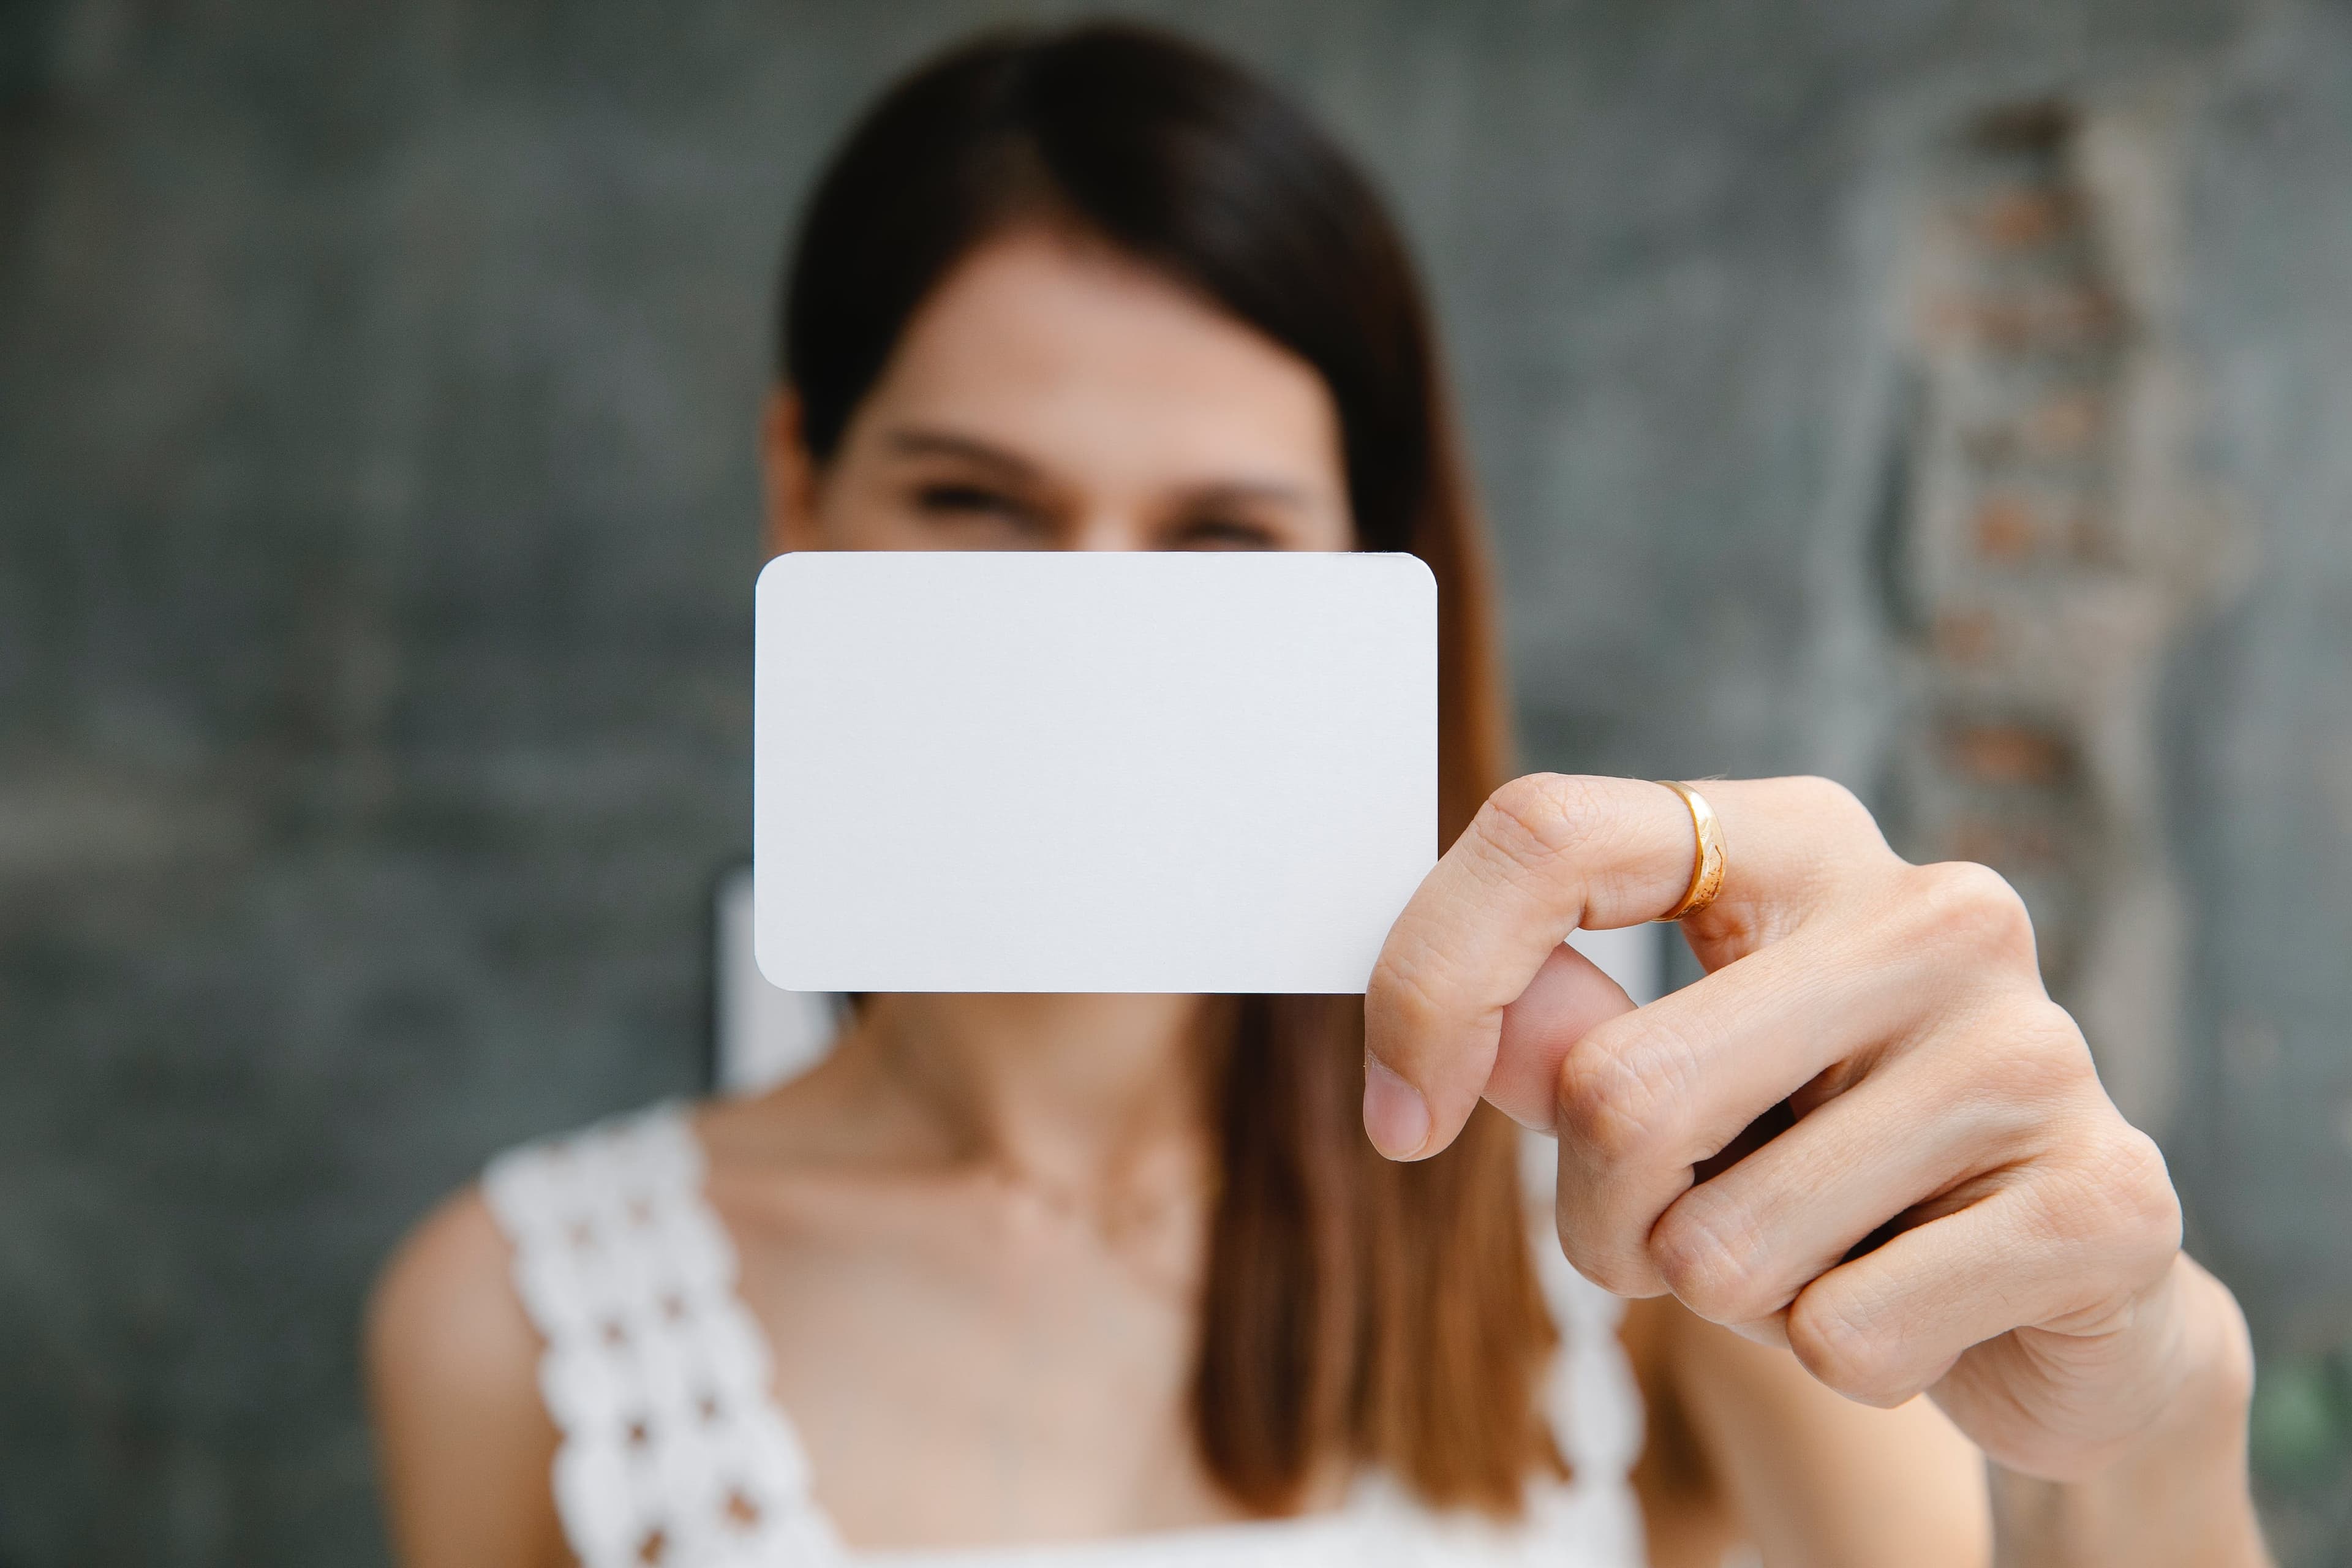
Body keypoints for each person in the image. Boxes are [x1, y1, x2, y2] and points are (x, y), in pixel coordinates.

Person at [364, 22, 2266, 1568]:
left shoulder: (1664, 1234)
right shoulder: (510, 1324)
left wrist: (2156, 1397)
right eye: (974, 502)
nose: (1089, 631)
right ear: (803, 494)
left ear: (1375, 568)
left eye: (1222, 535)